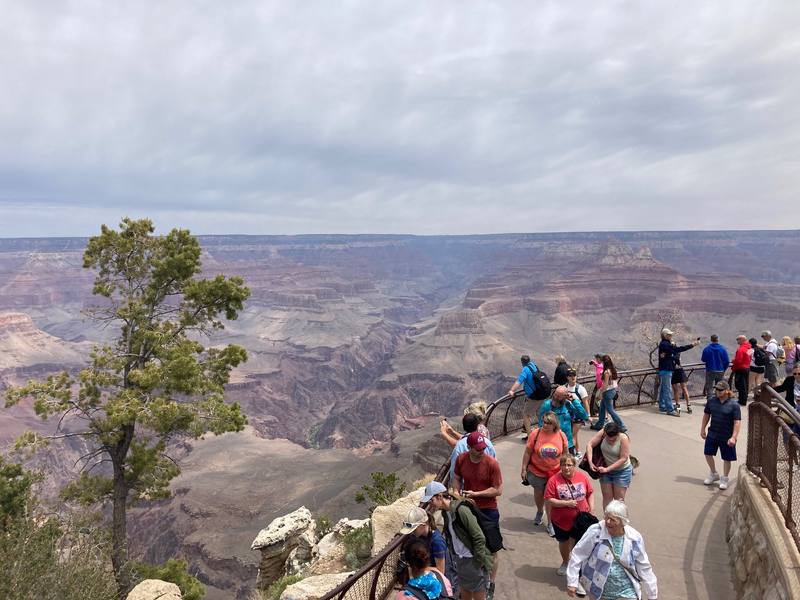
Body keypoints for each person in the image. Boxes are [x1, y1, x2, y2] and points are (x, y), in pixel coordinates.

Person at [566, 500, 658, 600]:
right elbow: (578, 554)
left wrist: (652, 594)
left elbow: (643, 566)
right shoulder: (596, 531)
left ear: (623, 522)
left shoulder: (634, 538)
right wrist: (572, 581)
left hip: (627, 591)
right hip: (599, 591)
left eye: (613, 519)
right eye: (606, 517)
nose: (608, 522)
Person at [452, 432, 503, 597]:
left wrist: (476, 494)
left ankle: (491, 583)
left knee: (493, 549)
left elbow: (498, 489)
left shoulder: (492, 463)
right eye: (478, 449)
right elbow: (457, 478)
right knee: (472, 545)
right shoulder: (461, 460)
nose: (482, 451)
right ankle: (474, 580)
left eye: (483, 448)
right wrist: (456, 494)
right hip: (469, 509)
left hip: (488, 510)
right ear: (469, 447)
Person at [426, 482, 493, 600]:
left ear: (440, 497)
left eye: (431, 500)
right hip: (461, 559)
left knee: (478, 593)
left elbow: (479, 536)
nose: (429, 504)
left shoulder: (461, 510)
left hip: (472, 559)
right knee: (465, 590)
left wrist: (479, 561)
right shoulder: (446, 512)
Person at [544, 454, 595, 580]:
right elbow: (549, 499)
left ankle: (578, 567)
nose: (566, 468)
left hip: (581, 520)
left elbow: (590, 493)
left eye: (569, 465)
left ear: (574, 466)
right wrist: (565, 503)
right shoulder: (554, 480)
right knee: (564, 542)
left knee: (580, 544)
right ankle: (565, 562)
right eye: (563, 465)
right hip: (561, 520)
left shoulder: (582, 477)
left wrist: (591, 510)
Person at [521, 411, 569, 536]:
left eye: (548, 423)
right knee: (538, 495)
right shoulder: (535, 434)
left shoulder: (561, 435)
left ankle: (550, 523)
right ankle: (539, 511)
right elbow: (527, 452)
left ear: (554, 424)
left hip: (555, 472)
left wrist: (567, 469)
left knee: (550, 498)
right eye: (544, 422)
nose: (545, 425)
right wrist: (523, 468)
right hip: (537, 471)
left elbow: (565, 453)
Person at [701, 381, 741, 490]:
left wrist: (734, 437)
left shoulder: (734, 405)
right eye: (716, 389)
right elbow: (706, 415)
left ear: (727, 391)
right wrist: (702, 429)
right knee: (708, 453)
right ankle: (714, 473)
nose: (717, 391)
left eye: (720, 390)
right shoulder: (711, 401)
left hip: (726, 435)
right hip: (713, 433)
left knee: (727, 458)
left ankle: (725, 478)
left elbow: (737, 422)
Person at [586, 422, 632, 509]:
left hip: (621, 471)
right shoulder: (603, 432)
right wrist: (590, 462)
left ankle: (620, 521)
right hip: (605, 470)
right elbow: (590, 444)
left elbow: (623, 458)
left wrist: (607, 469)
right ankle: (607, 520)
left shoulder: (623, 438)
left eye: (613, 439)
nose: (610, 440)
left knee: (619, 500)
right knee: (607, 499)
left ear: (618, 433)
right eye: (608, 437)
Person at [657, 328, 699, 417]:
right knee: (667, 390)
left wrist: (668, 355)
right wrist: (692, 345)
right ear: (665, 335)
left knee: (663, 389)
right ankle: (670, 409)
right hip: (666, 369)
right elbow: (678, 349)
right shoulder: (665, 344)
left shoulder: (664, 344)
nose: (671, 336)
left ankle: (662, 405)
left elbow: (670, 355)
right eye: (669, 335)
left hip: (665, 369)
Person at [538, 385, 589, 455]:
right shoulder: (547, 405)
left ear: (565, 397)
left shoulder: (568, 405)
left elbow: (583, 415)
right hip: (551, 443)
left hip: (568, 443)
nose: (555, 398)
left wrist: (574, 401)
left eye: (559, 396)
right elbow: (541, 424)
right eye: (555, 394)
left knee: (568, 465)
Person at [400, 507, 448, 574]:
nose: (412, 533)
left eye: (414, 530)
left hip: (437, 580)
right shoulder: (419, 536)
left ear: (423, 525)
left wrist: (416, 568)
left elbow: (440, 570)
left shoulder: (437, 542)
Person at [448, 413, 497, 480]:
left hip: (466, 487)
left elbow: (454, 472)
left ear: (464, 427)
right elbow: (494, 463)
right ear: (477, 426)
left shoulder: (459, 446)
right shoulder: (487, 442)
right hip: (486, 484)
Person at [590, 355, 626, 431]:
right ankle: (599, 424)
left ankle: (621, 426)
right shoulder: (612, 370)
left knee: (610, 410)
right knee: (602, 409)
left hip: (608, 392)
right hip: (612, 390)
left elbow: (605, 384)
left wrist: (600, 394)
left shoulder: (606, 372)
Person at [508, 354, 541, 435]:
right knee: (539, 413)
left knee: (526, 415)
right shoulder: (534, 366)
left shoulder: (525, 369)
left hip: (533, 396)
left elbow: (519, 381)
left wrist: (512, 390)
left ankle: (530, 436)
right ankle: (542, 432)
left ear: (522, 362)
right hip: (541, 393)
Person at [566, 369, 590, 456]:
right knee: (574, 435)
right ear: (567, 377)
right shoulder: (565, 387)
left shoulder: (581, 389)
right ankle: (577, 451)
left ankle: (572, 454)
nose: (573, 377)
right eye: (570, 375)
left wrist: (588, 415)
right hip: (569, 414)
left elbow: (585, 402)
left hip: (579, 415)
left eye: (574, 375)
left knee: (572, 435)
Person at [731, 335, 751, 406]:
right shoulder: (749, 348)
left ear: (742, 340)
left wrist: (733, 361)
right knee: (745, 384)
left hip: (741, 369)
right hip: (747, 368)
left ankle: (742, 401)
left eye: (738, 339)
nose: (737, 341)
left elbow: (738, 360)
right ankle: (744, 399)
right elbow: (749, 357)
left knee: (740, 385)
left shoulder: (741, 349)